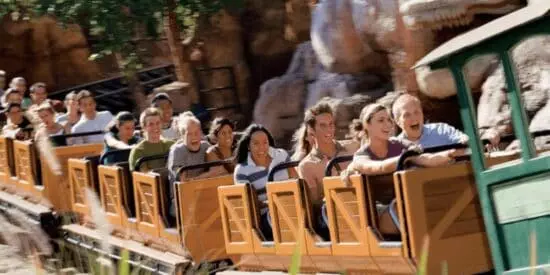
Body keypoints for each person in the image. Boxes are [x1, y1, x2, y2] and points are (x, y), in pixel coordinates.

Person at [342, 103, 459, 235]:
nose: (388, 125)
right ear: (367, 125)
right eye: (381, 120)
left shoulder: (399, 144)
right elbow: (380, 167)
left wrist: (450, 154)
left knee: (427, 197)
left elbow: (425, 159)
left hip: (405, 203)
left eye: (389, 120)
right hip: (378, 213)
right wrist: (405, 157)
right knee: (406, 205)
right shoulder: (360, 156)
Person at [233, 124, 296, 241]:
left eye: (265, 142)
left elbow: (296, 180)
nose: (262, 147)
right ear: (248, 146)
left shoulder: (281, 155)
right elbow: (250, 203)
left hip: (291, 205)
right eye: (256, 144)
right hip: (265, 214)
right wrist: (272, 202)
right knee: (282, 216)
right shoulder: (242, 170)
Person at [392, 94, 468, 148]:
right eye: (407, 115)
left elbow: (465, 141)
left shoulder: (442, 130)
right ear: (397, 121)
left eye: (416, 112)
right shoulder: (396, 147)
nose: (414, 118)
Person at [166, 112, 224, 183]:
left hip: (202, 188)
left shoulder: (205, 146)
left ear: (201, 133)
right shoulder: (177, 150)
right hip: (183, 192)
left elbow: (218, 170)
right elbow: (184, 181)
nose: (194, 137)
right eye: (189, 134)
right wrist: (208, 175)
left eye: (196, 132)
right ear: (183, 136)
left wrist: (196, 178)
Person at [129, 108, 174, 172]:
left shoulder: (171, 145)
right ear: (144, 127)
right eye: (151, 124)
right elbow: (144, 177)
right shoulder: (138, 151)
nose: (155, 127)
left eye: (158, 123)